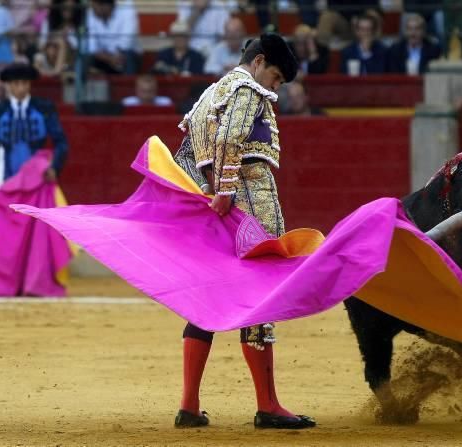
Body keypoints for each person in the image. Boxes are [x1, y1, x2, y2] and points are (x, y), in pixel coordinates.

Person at [171, 33, 316, 430]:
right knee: (260, 299)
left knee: (207, 299)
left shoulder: (210, 94)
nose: (274, 87)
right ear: (259, 61)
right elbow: (231, 137)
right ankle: (268, 405)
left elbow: (186, 152)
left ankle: (189, 405)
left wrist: (208, 189)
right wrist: (228, 190)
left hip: (216, 211)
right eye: (275, 77)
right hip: (249, 205)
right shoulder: (249, 89)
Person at [0, 63, 71, 297]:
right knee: (7, 238)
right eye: (16, 84)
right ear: (8, 86)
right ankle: (8, 286)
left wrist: (54, 166)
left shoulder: (44, 108)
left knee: (37, 237)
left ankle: (36, 284)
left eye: (25, 84)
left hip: (37, 183)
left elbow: (61, 142)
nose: (20, 88)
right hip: (8, 183)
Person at [85, 0, 140, 74]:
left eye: (94, 6)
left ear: (106, 6)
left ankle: (127, 83)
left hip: (124, 55)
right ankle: (84, 84)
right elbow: (92, 46)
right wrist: (109, 58)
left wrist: (115, 56)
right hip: (103, 56)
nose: (92, 9)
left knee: (128, 55)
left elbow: (126, 42)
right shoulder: (91, 14)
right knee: (86, 56)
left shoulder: (126, 9)